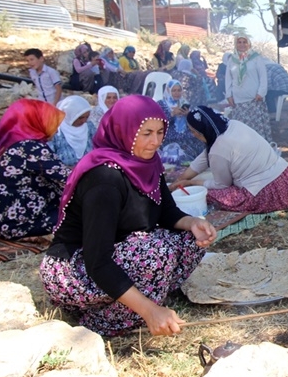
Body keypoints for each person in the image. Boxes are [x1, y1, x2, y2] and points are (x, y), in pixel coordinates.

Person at [39, 95, 216, 336]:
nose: (156, 142)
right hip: (76, 269)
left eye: (160, 132)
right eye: (146, 133)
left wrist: (194, 222)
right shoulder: (104, 179)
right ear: (124, 131)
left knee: (190, 239)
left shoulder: (148, 162)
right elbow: (97, 261)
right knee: (154, 253)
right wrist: (149, 310)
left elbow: (166, 211)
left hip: (119, 252)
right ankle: (103, 320)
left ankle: (137, 300)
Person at [171, 106, 288, 213]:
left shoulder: (218, 149)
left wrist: (192, 183)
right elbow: (206, 155)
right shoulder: (233, 124)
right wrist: (182, 178)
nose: (192, 134)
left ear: (200, 133)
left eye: (192, 131)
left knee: (206, 194)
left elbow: (222, 185)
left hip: (268, 192)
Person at [0, 99, 71, 240]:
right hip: (20, 224)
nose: (56, 130)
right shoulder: (31, 148)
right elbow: (69, 179)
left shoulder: (6, 142)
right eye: (52, 123)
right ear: (36, 122)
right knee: (86, 211)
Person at [224, 35, 272, 142]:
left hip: (254, 99)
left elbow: (263, 77)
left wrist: (261, 93)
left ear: (249, 44)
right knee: (241, 130)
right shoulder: (232, 60)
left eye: (244, 42)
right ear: (235, 44)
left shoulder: (256, 58)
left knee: (256, 131)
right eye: (239, 42)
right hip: (238, 101)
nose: (242, 44)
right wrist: (229, 95)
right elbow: (228, 79)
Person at [157, 80, 203, 160]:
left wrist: (188, 115)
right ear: (168, 90)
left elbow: (195, 122)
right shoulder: (161, 104)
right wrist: (172, 114)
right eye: (174, 90)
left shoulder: (184, 102)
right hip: (170, 138)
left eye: (179, 90)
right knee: (183, 153)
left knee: (201, 147)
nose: (177, 93)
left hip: (187, 136)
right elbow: (158, 123)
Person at [49, 95, 96, 166]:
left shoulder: (89, 126)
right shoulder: (56, 130)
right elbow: (49, 158)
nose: (84, 121)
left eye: (87, 117)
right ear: (69, 114)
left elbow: (99, 148)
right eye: (80, 118)